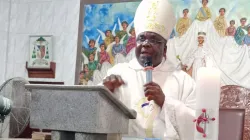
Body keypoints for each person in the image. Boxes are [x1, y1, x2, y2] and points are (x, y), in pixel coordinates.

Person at [102, 0, 196, 139]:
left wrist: (165, 102)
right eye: (141, 38)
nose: (146, 44)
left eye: (153, 40)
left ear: (165, 48)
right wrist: (105, 93)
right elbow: (95, 113)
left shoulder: (183, 81)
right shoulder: (118, 74)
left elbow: (197, 124)